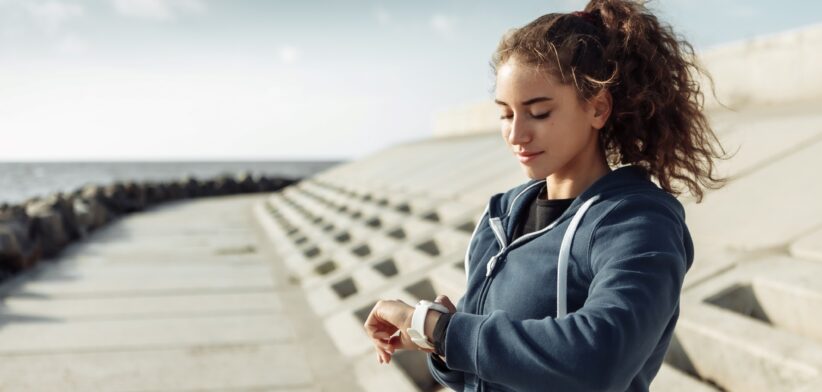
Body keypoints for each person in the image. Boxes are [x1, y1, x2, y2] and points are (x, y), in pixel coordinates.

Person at [363, 0, 727, 390]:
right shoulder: (502, 215)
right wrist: (439, 342)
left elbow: (600, 358)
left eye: (538, 113)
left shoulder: (637, 222)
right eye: (506, 114)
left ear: (598, 108)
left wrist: (441, 330)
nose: (517, 135)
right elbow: (477, 372)